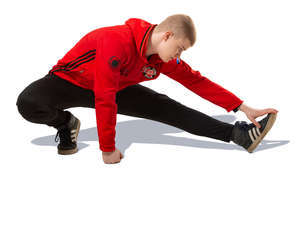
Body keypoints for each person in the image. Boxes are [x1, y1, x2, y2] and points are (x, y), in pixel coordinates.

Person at [16, 14, 278, 164]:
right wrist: (108, 149)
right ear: (167, 36)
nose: (179, 55)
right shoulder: (115, 41)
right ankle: (66, 124)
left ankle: (239, 135)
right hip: (71, 81)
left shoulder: (161, 58)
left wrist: (241, 106)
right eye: (179, 48)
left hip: (116, 85)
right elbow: (104, 98)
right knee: (28, 102)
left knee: (168, 108)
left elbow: (196, 81)